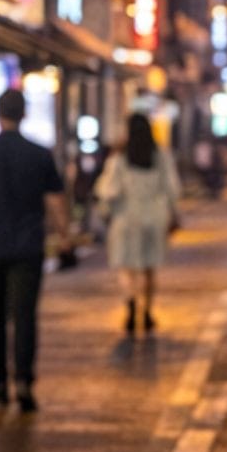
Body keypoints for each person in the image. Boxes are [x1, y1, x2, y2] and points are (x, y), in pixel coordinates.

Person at [0, 89, 69, 413]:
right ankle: (24, 383)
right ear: (24, 115)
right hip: (28, 248)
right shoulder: (39, 154)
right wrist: (64, 237)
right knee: (24, 317)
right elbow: (56, 201)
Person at [95, 113, 181, 335]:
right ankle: (149, 311)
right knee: (150, 268)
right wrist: (174, 213)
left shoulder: (120, 157)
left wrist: (105, 210)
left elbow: (108, 190)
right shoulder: (160, 155)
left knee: (127, 267)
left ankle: (131, 302)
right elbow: (172, 189)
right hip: (154, 217)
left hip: (126, 218)